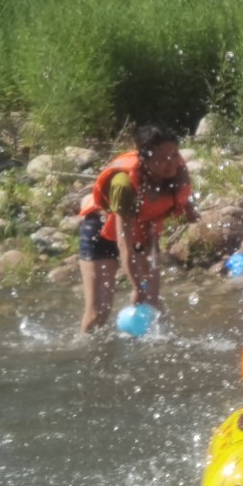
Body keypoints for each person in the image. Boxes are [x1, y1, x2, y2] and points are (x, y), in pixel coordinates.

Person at [78, 124, 200, 334]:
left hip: (143, 228)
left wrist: (189, 209)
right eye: (162, 158)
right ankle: (86, 348)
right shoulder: (124, 185)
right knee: (98, 313)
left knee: (153, 303)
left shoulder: (175, 169)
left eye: (173, 154)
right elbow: (124, 247)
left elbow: (178, 193)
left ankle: (160, 346)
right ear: (145, 159)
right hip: (101, 232)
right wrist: (137, 286)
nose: (171, 162)